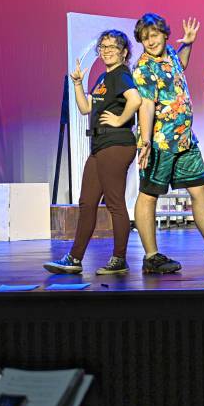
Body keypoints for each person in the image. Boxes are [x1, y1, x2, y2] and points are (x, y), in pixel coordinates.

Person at [133, 13, 204, 273]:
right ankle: (151, 257)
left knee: (201, 191)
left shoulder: (171, 53)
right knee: (149, 195)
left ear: (164, 34)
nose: (150, 42)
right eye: (144, 38)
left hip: (185, 140)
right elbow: (147, 105)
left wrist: (188, 44)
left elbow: (180, 67)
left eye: (153, 35)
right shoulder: (144, 68)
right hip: (161, 142)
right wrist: (145, 142)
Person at [44, 30, 141, 275]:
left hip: (116, 145)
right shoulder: (103, 78)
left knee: (115, 204)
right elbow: (86, 108)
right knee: (87, 203)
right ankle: (74, 259)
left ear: (124, 52)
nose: (106, 51)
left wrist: (120, 120)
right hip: (100, 147)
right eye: (103, 47)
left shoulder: (120, 75)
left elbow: (135, 99)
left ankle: (119, 259)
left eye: (112, 47)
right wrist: (77, 83)